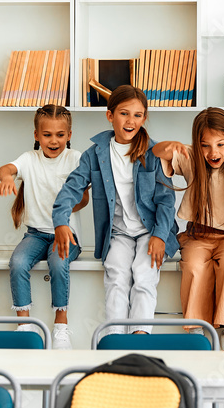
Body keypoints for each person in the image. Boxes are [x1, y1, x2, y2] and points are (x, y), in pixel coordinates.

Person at [52, 85, 179, 335]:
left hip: (150, 231)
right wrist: (60, 221)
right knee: (116, 275)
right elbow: (71, 188)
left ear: (144, 118)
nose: (130, 121)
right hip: (118, 233)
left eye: (138, 115)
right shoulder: (94, 154)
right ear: (110, 115)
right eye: (124, 113)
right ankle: (114, 337)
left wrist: (160, 236)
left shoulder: (154, 153)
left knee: (144, 275)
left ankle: (140, 337)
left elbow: (166, 199)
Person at [152, 107, 224, 351]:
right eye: (205, 145)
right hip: (197, 235)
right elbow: (156, 151)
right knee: (194, 266)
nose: (213, 152)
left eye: (220, 144)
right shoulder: (191, 157)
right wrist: (171, 145)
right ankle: (197, 331)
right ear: (197, 143)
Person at [0, 105, 89, 349]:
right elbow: (6, 169)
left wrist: (62, 212)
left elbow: (84, 199)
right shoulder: (29, 159)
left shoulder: (76, 158)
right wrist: (7, 177)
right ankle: (24, 328)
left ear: (69, 135)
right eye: (47, 134)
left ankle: (61, 327)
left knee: (58, 262)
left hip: (68, 235)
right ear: (37, 135)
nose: (54, 140)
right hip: (35, 234)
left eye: (60, 134)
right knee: (17, 262)